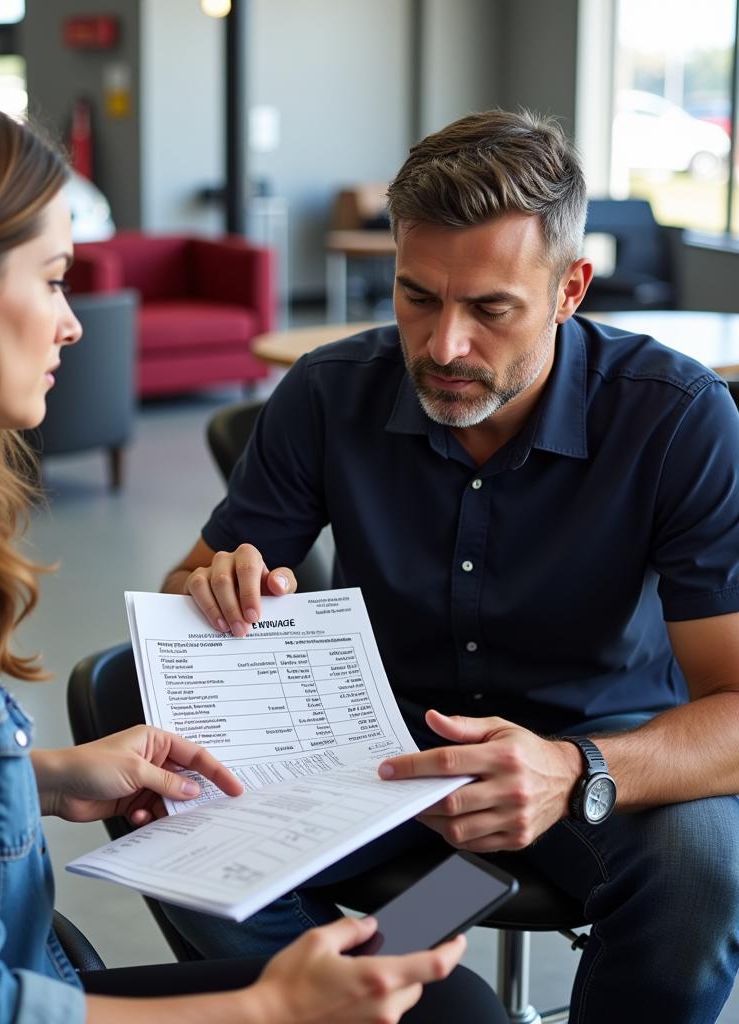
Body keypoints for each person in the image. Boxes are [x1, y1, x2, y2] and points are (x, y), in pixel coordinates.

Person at [0, 81, 511, 1024]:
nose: (72, 322)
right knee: (442, 1003)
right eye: (52, 278)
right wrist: (272, 1012)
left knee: (434, 968)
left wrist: (45, 776)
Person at [162, 108, 739, 1023]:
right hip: (376, 766)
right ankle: (417, 1003)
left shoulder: (675, 418)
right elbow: (185, 598)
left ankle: (424, 955)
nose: (443, 348)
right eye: (417, 296)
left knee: (704, 873)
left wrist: (576, 767)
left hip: (599, 757)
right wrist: (210, 596)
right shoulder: (328, 391)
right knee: (172, 816)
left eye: (490, 308)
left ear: (570, 289)